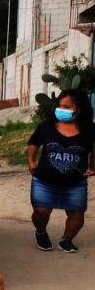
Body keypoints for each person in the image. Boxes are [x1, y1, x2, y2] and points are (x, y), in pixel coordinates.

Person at [28, 89, 94, 253]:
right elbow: (34, 142)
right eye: (60, 106)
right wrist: (31, 161)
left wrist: (92, 168)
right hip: (44, 181)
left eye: (67, 107)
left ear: (79, 109)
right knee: (41, 212)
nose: (61, 110)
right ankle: (41, 233)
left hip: (75, 183)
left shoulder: (90, 130)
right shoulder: (46, 126)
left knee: (77, 218)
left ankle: (66, 240)